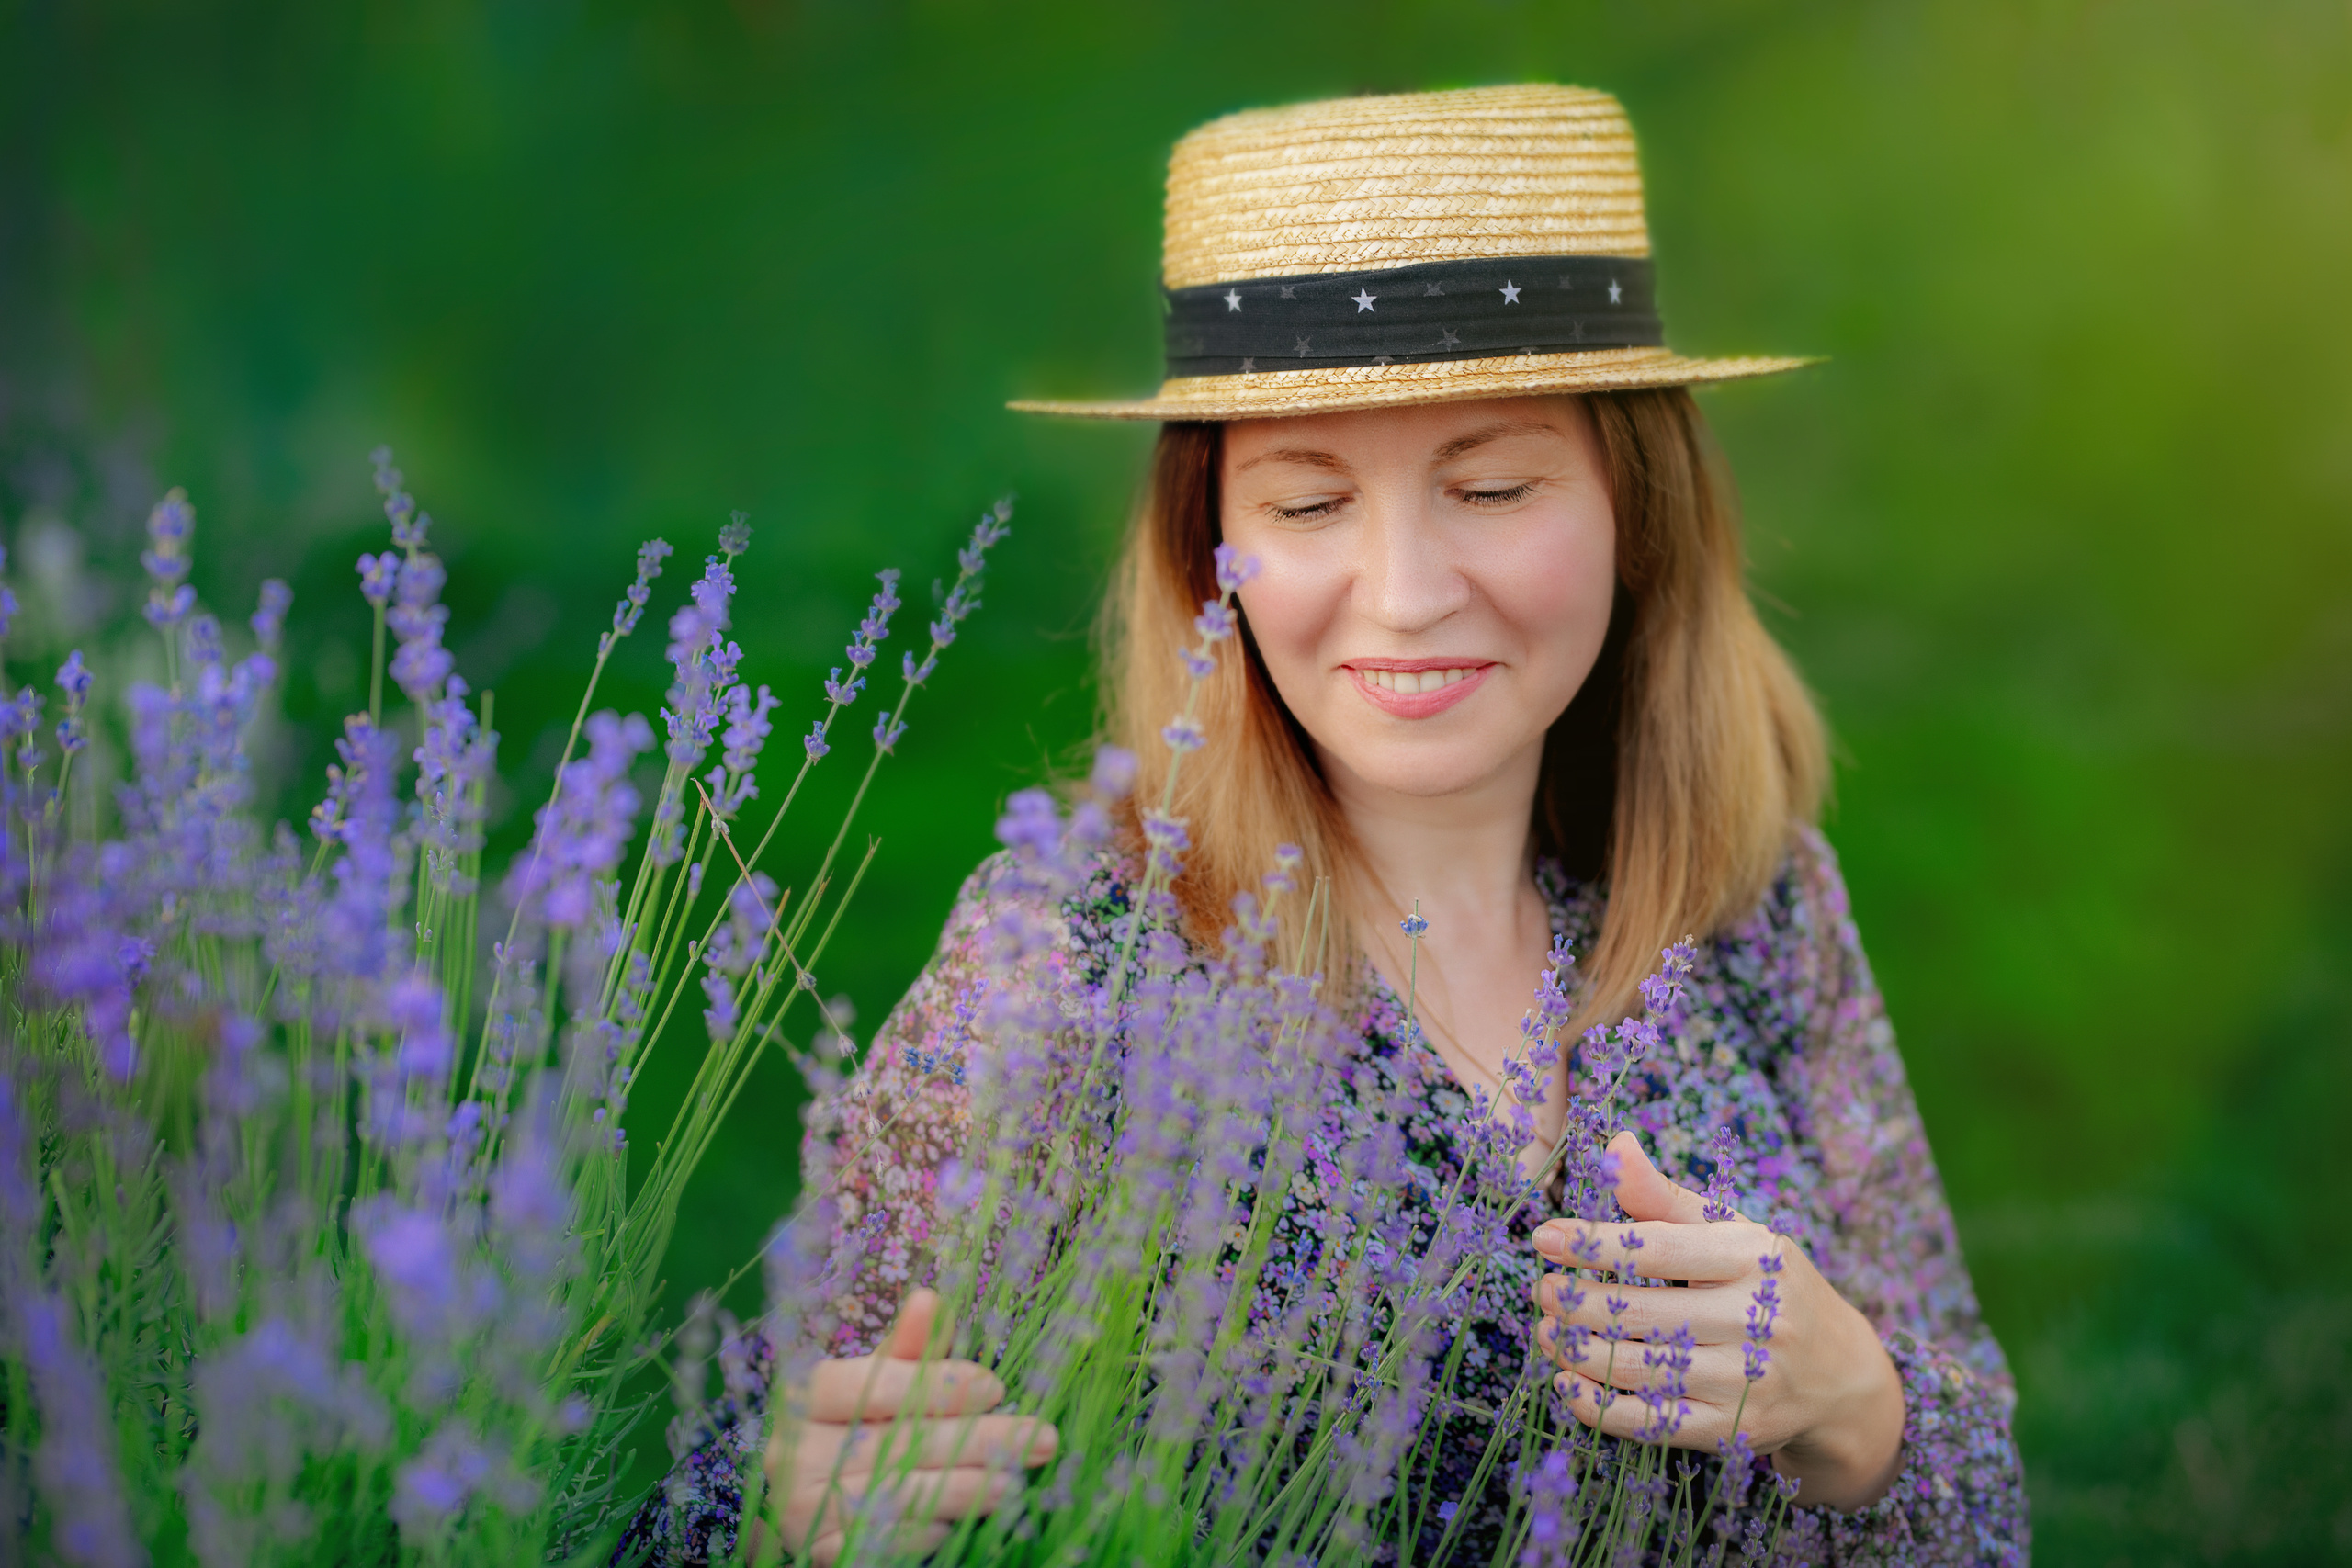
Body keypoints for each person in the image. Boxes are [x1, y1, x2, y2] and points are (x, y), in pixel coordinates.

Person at [626, 84, 2027, 1565]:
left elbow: (1982, 1503)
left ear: (1638, 503)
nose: (1406, 589)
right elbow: (762, 1491)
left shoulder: (1758, 906)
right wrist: (781, 1521)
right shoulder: (1069, 964)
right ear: (1209, 541)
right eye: (1308, 506)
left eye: (1490, 485)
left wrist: (1863, 1413)